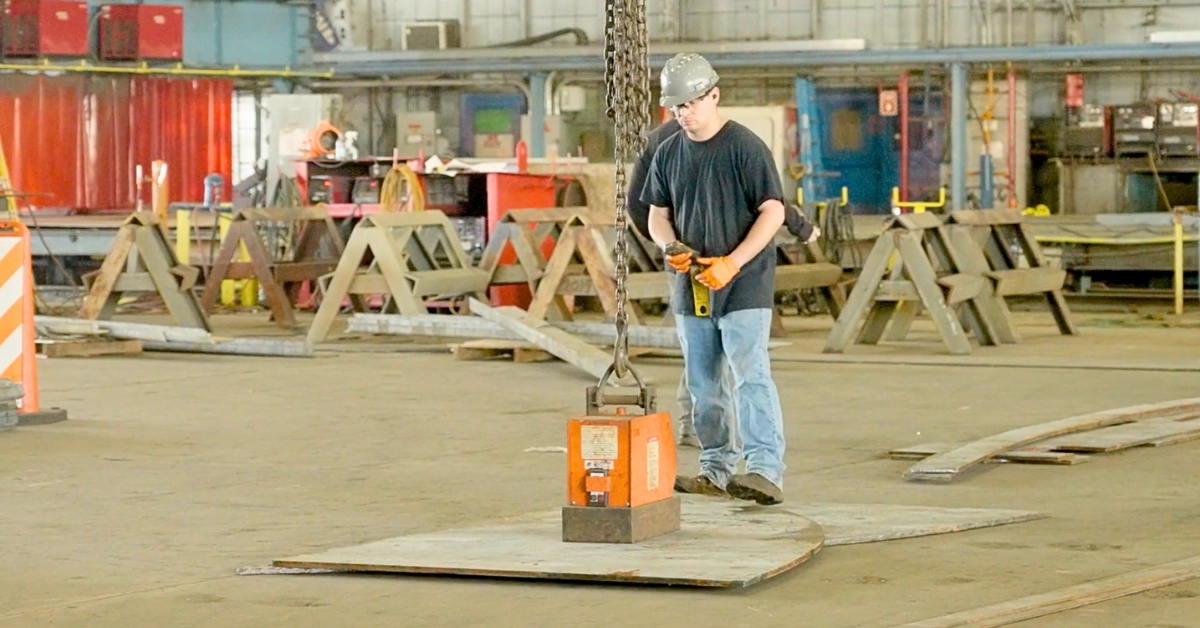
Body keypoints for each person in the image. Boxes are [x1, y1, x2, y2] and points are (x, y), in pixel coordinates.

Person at [640, 52, 790, 506]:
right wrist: (670, 246)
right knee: (703, 384)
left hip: (742, 285)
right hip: (694, 286)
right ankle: (716, 469)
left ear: (715, 95)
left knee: (750, 376)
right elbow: (656, 216)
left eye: (691, 104)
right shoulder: (667, 152)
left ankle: (764, 470)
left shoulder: (745, 148)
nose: (683, 114)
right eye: (676, 107)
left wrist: (735, 262)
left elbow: (773, 211)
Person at [625, 118, 819, 453]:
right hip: (696, 261)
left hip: (718, 263)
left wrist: (676, 246)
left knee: (729, 363)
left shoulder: (732, 143)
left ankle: (756, 461)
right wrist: (673, 246)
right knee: (707, 361)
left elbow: (768, 202)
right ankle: (704, 440)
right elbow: (645, 209)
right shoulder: (668, 148)